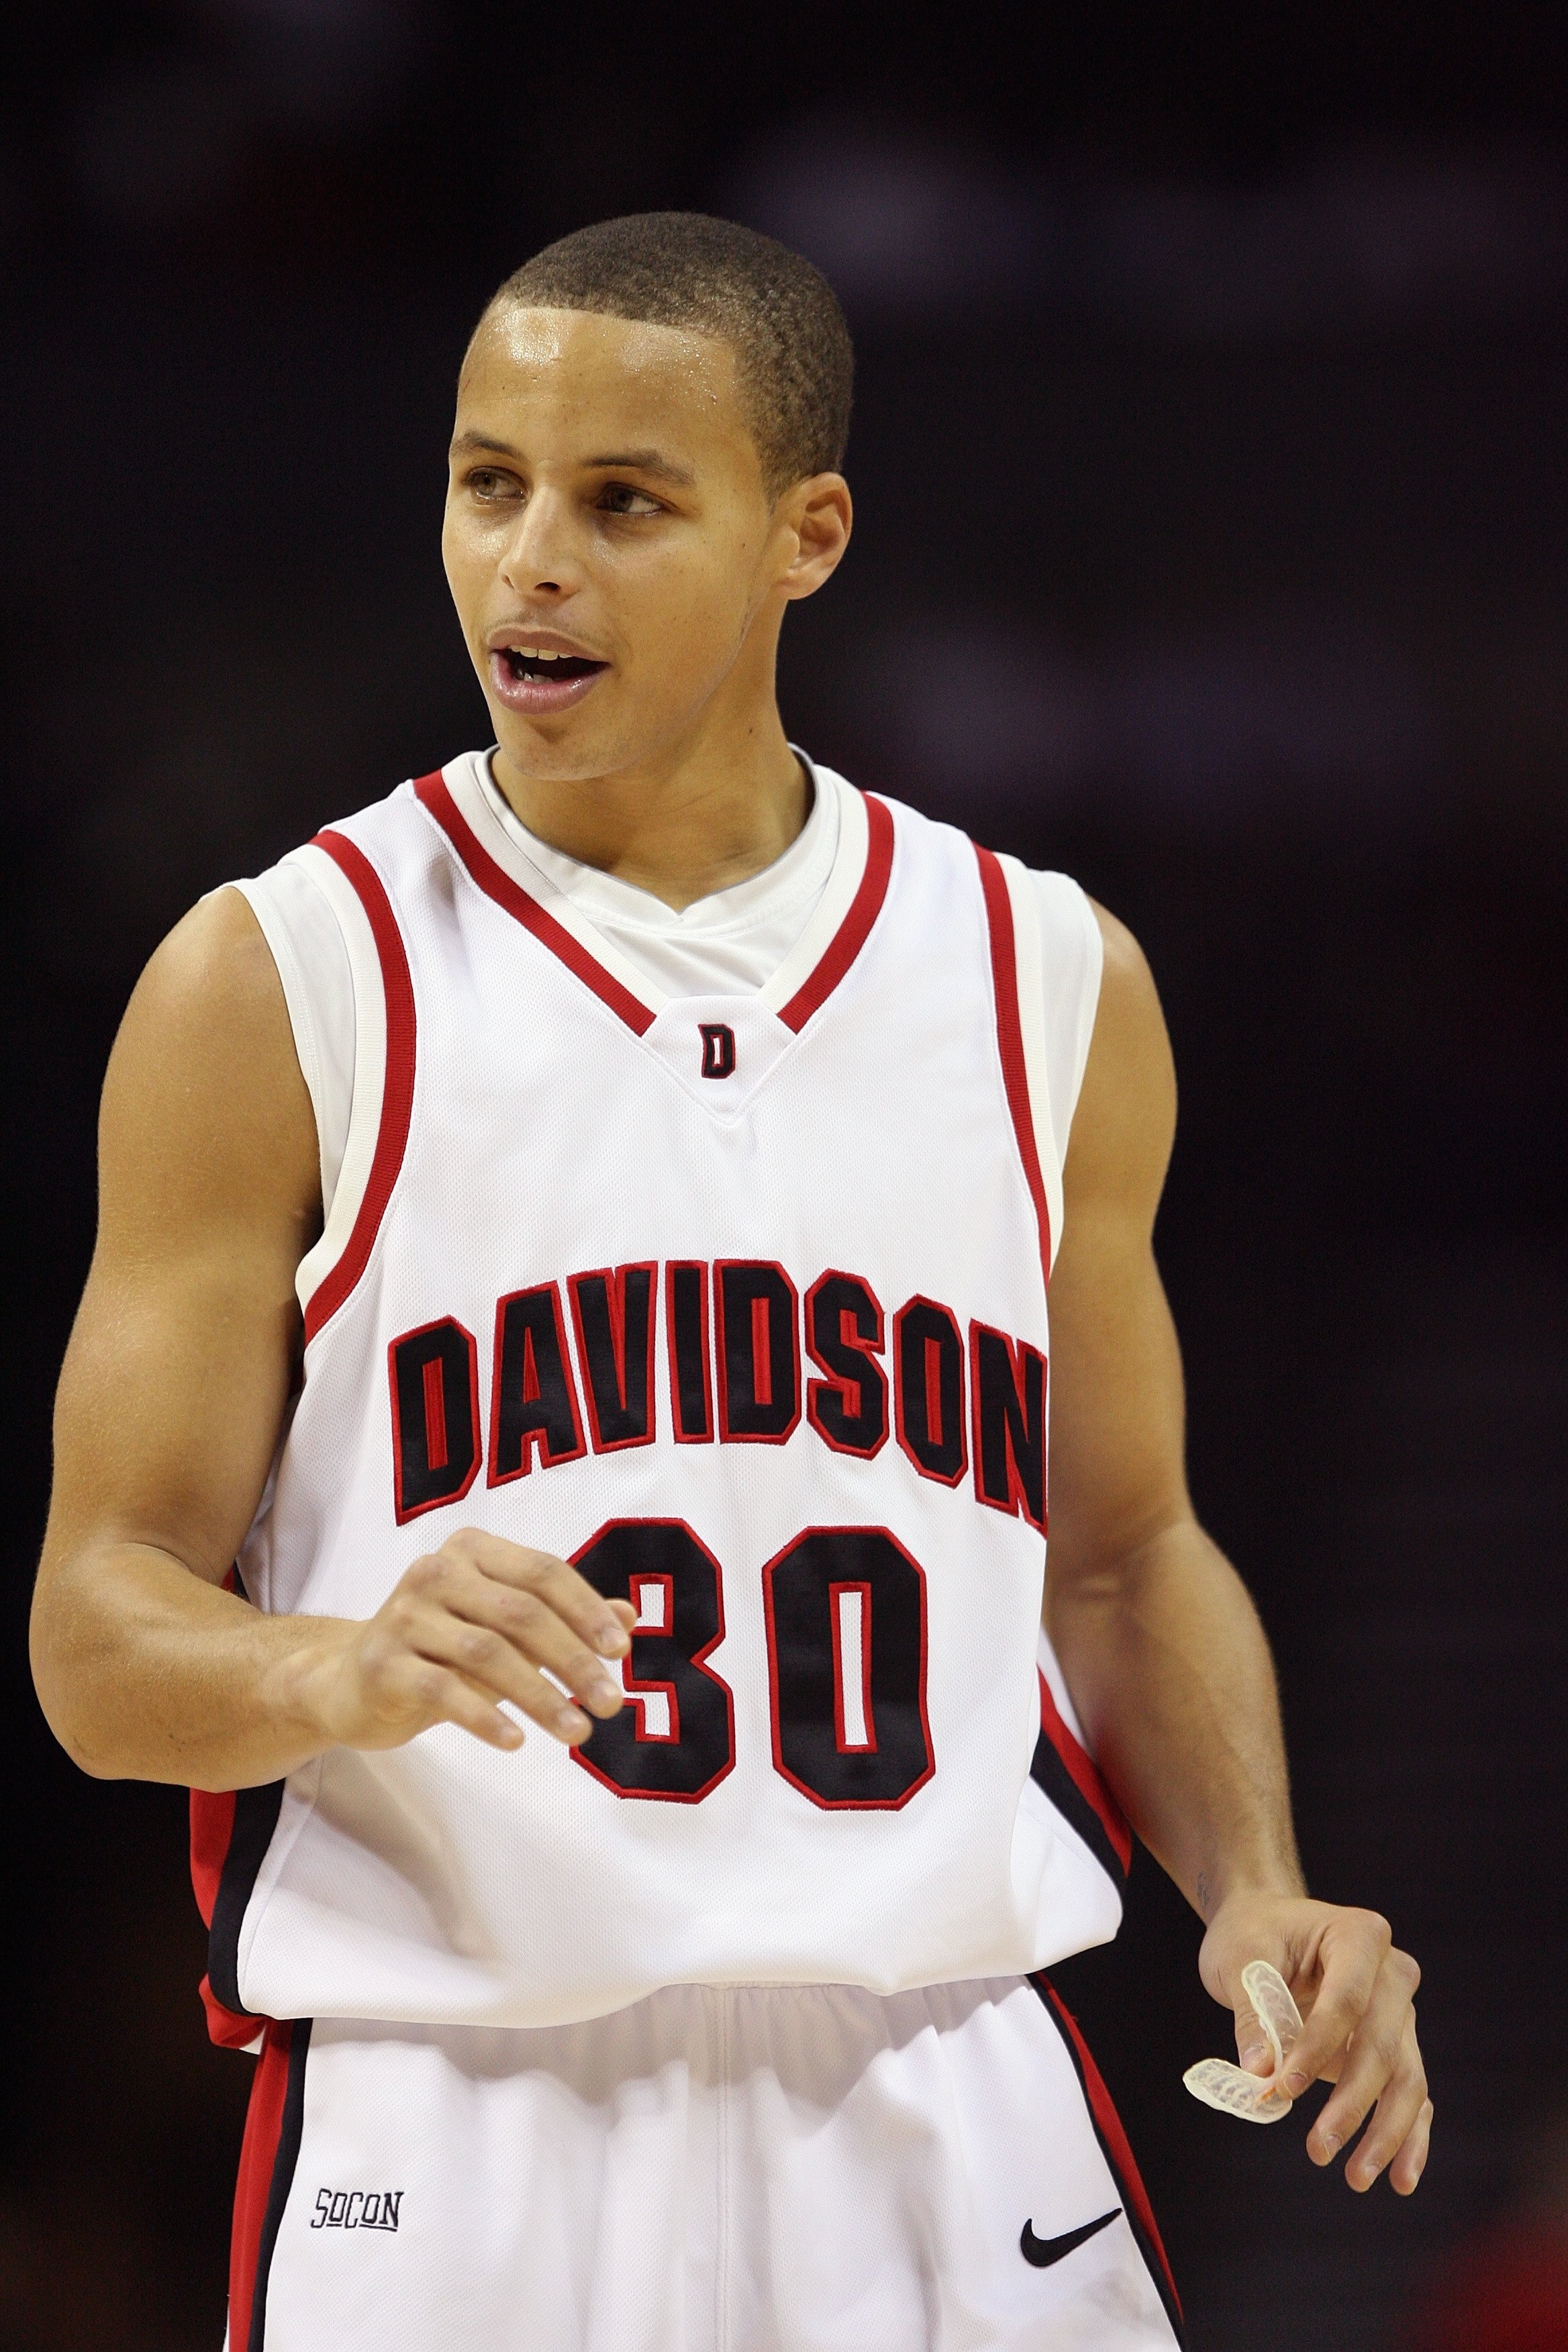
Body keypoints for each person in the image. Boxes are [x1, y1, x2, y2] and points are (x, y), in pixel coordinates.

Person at [30, 212, 1430, 2351]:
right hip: (467, 2111)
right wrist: (334, 1666)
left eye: (619, 500)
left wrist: (1254, 1888)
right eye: (486, 482)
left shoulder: (1044, 979)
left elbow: (1127, 1557)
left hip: (951, 2088)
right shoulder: (283, 974)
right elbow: (94, 1637)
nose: (528, 561)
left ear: (808, 533)